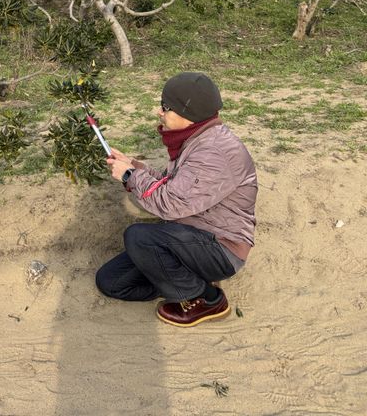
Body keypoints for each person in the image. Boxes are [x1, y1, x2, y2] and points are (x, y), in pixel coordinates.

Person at [96, 72, 257, 327]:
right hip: (190, 236)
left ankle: (207, 299)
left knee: (139, 237)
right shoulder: (197, 139)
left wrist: (129, 176)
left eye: (165, 107)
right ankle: (183, 282)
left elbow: (170, 204)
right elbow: (172, 184)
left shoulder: (213, 153)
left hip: (220, 247)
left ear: (186, 113)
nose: (159, 112)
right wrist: (133, 165)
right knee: (111, 281)